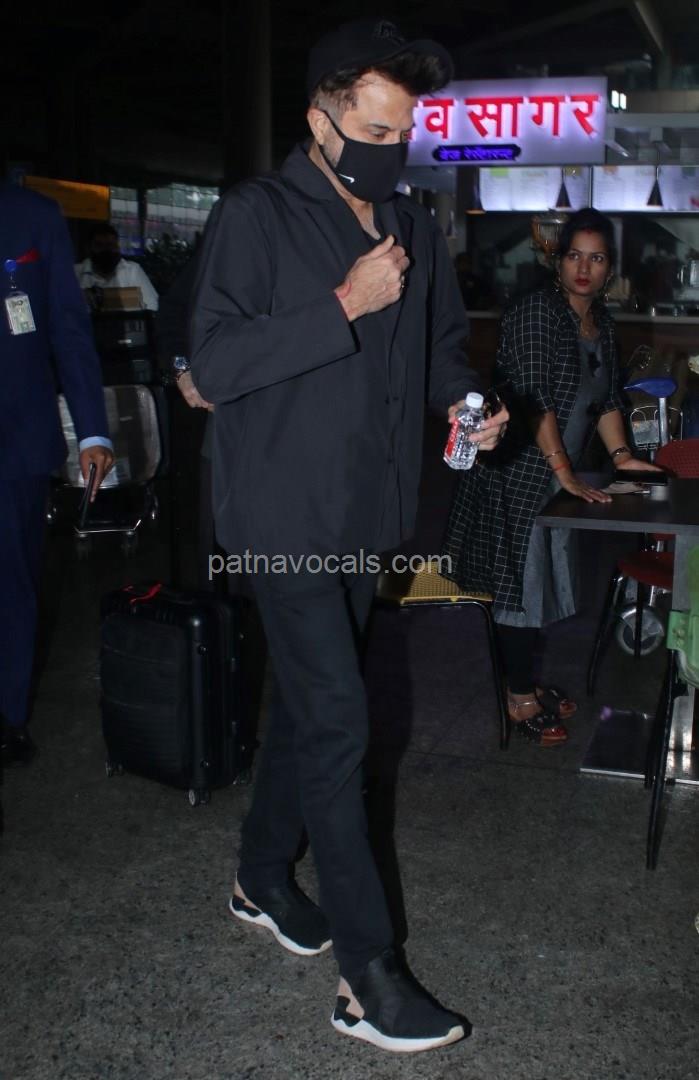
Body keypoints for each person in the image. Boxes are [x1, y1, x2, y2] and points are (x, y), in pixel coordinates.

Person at [190, 17, 507, 1054]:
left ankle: (259, 875)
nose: (390, 148)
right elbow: (213, 365)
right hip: (280, 511)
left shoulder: (408, 223)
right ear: (321, 122)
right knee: (338, 719)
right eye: (373, 129)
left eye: (402, 131)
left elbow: (442, 348)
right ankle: (368, 980)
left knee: (306, 704)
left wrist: (469, 404)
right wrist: (340, 303)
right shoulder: (256, 215)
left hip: (364, 514)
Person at [443, 208, 659, 746]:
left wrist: (623, 456)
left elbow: (605, 398)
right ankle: (518, 697)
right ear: (557, 261)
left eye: (596, 258)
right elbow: (533, 399)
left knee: (536, 584)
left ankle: (527, 680)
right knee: (519, 587)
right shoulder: (537, 311)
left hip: (555, 473)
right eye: (574, 256)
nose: (584, 268)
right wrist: (565, 472)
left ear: (610, 268)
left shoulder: (600, 321)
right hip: (517, 471)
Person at [0, 184, 113, 766]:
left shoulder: (33, 217)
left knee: (11, 584)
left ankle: (8, 717)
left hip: (14, 443)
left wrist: (92, 431)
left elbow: (68, 328)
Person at [75, 223, 159, 311]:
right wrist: (129, 300)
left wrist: (98, 299)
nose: (106, 251)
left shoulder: (132, 271)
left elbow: (151, 306)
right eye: (100, 245)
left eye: (111, 245)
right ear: (89, 248)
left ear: (118, 247)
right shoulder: (75, 273)